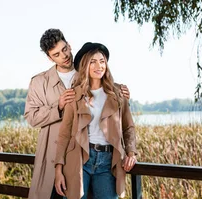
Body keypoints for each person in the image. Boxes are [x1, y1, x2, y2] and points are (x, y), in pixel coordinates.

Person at [25, 29, 131, 199]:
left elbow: (110, 100)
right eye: (57, 54)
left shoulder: (88, 70)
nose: (64, 56)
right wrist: (58, 106)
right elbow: (31, 117)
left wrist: (123, 95)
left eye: (65, 49)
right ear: (50, 57)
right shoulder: (39, 82)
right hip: (53, 155)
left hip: (84, 155)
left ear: (69, 45)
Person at [53, 42, 138, 199]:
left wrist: (131, 152)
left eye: (102, 61)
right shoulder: (74, 94)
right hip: (78, 159)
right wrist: (58, 170)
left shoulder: (118, 92)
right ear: (85, 65)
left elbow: (128, 127)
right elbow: (64, 135)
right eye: (93, 61)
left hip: (108, 162)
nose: (99, 66)